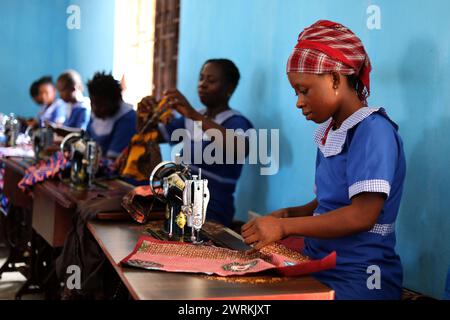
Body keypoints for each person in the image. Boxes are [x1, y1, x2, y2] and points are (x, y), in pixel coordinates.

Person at [241, 20, 406, 300]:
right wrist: (291, 213)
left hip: (359, 276)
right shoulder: (333, 132)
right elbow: (333, 200)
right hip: (323, 263)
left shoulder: (373, 130)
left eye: (304, 90)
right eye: (296, 92)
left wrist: (284, 227)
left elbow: (361, 215)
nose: (298, 102)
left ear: (335, 79)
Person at [139, 59, 253, 227]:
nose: (203, 84)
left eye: (211, 80)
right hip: (179, 203)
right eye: (201, 78)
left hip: (210, 211)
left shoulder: (237, 122)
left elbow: (239, 150)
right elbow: (148, 137)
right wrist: (144, 115)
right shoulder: (192, 119)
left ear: (229, 88)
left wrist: (192, 114)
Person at [86, 72, 136, 159]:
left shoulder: (128, 119)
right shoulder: (97, 114)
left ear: (116, 101)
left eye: (101, 105)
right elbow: (86, 140)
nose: (95, 109)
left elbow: (112, 161)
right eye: (92, 103)